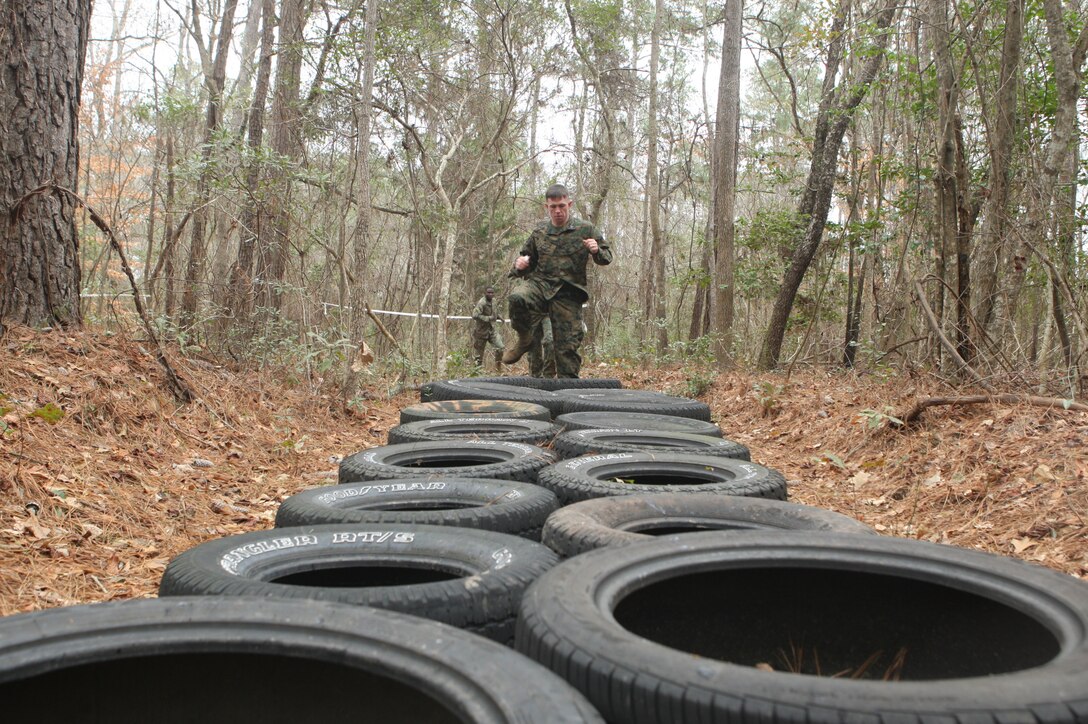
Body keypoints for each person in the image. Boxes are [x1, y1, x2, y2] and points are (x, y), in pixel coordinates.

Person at [503, 184, 612, 377]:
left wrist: (596, 250)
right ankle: (524, 338)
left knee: (565, 351)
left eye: (562, 206)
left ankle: (568, 396)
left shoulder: (585, 229)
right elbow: (527, 259)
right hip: (540, 285)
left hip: (568, 292)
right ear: (547, 207)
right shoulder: (540, 232)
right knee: (517, 298)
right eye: (553, 207)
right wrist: (520, 265)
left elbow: (606, 257)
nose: (558, 211)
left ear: (569, 204)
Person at [471, 286, 503, 370]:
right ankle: (476, 373)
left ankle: (498, 368)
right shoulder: (482, 303)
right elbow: (474, 315)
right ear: (485, 293)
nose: (490, 294)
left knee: (500, 348)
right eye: (488, 292)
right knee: (479, 355)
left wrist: (499, 317)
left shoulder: (494, 301)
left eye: (492, 292)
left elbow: (494, 312)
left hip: (491, 330)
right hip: (481, 331)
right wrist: (487, 318)